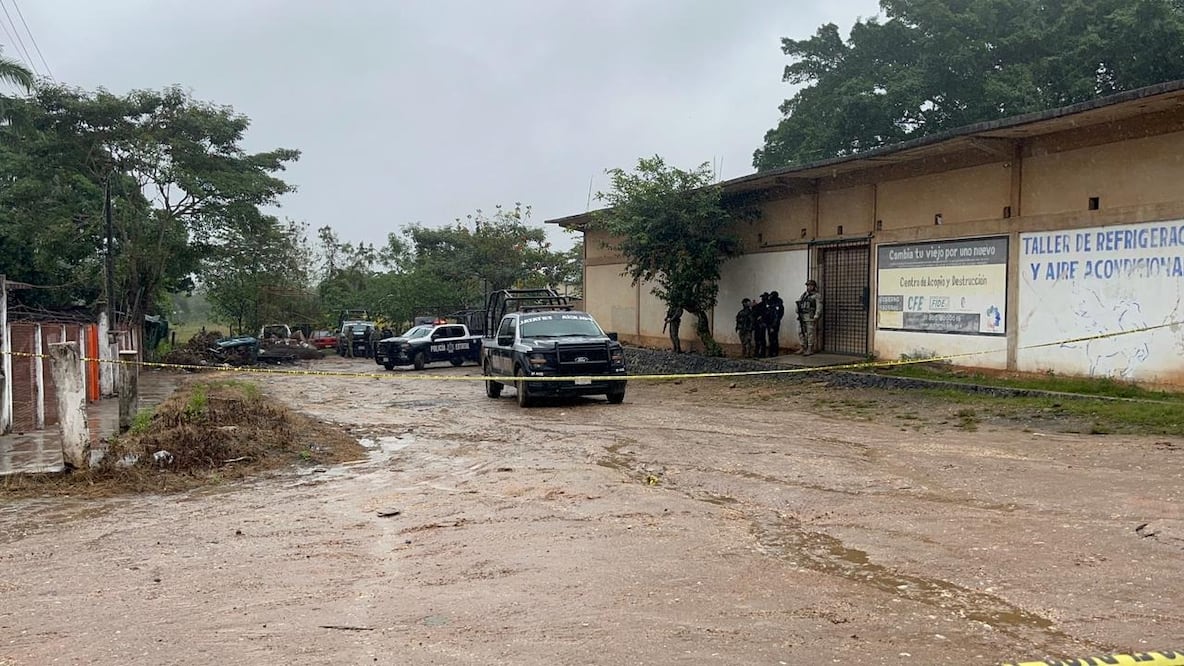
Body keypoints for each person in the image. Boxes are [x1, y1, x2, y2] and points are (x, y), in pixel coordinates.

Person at [796, 279, 823, 356]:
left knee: (810, 333)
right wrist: (797, 311)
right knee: (800, 332)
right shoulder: (804, 295)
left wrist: (816, 316)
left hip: (810, 316)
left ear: (814, 286)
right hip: (802, 316)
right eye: (808, 285)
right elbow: (799, 303)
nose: (809, 287)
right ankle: (802, 347)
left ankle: (810, 348)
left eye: (811, 285)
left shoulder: (817, 295)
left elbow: (819, 306)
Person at [767, 290, 786, 357]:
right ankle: (772, 351)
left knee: (774, 337)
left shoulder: (778, 305)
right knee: (771, 338)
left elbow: (777, 316)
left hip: (774, 323)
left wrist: (773, 325)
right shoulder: (770, 304)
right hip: (770, 323)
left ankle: (774, 352)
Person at [751, 293, 768, 358]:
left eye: (764, 297)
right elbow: (754, 312)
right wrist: (753, 306)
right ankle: (757, 352)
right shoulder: (760, 305)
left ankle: (762, 353)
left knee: (761, 339)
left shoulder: (768, 305)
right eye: (762, 297)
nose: (763, 298)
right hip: (758, 324)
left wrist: (762, 317)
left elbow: (768, 314)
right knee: (757, 339)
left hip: (762, 324)